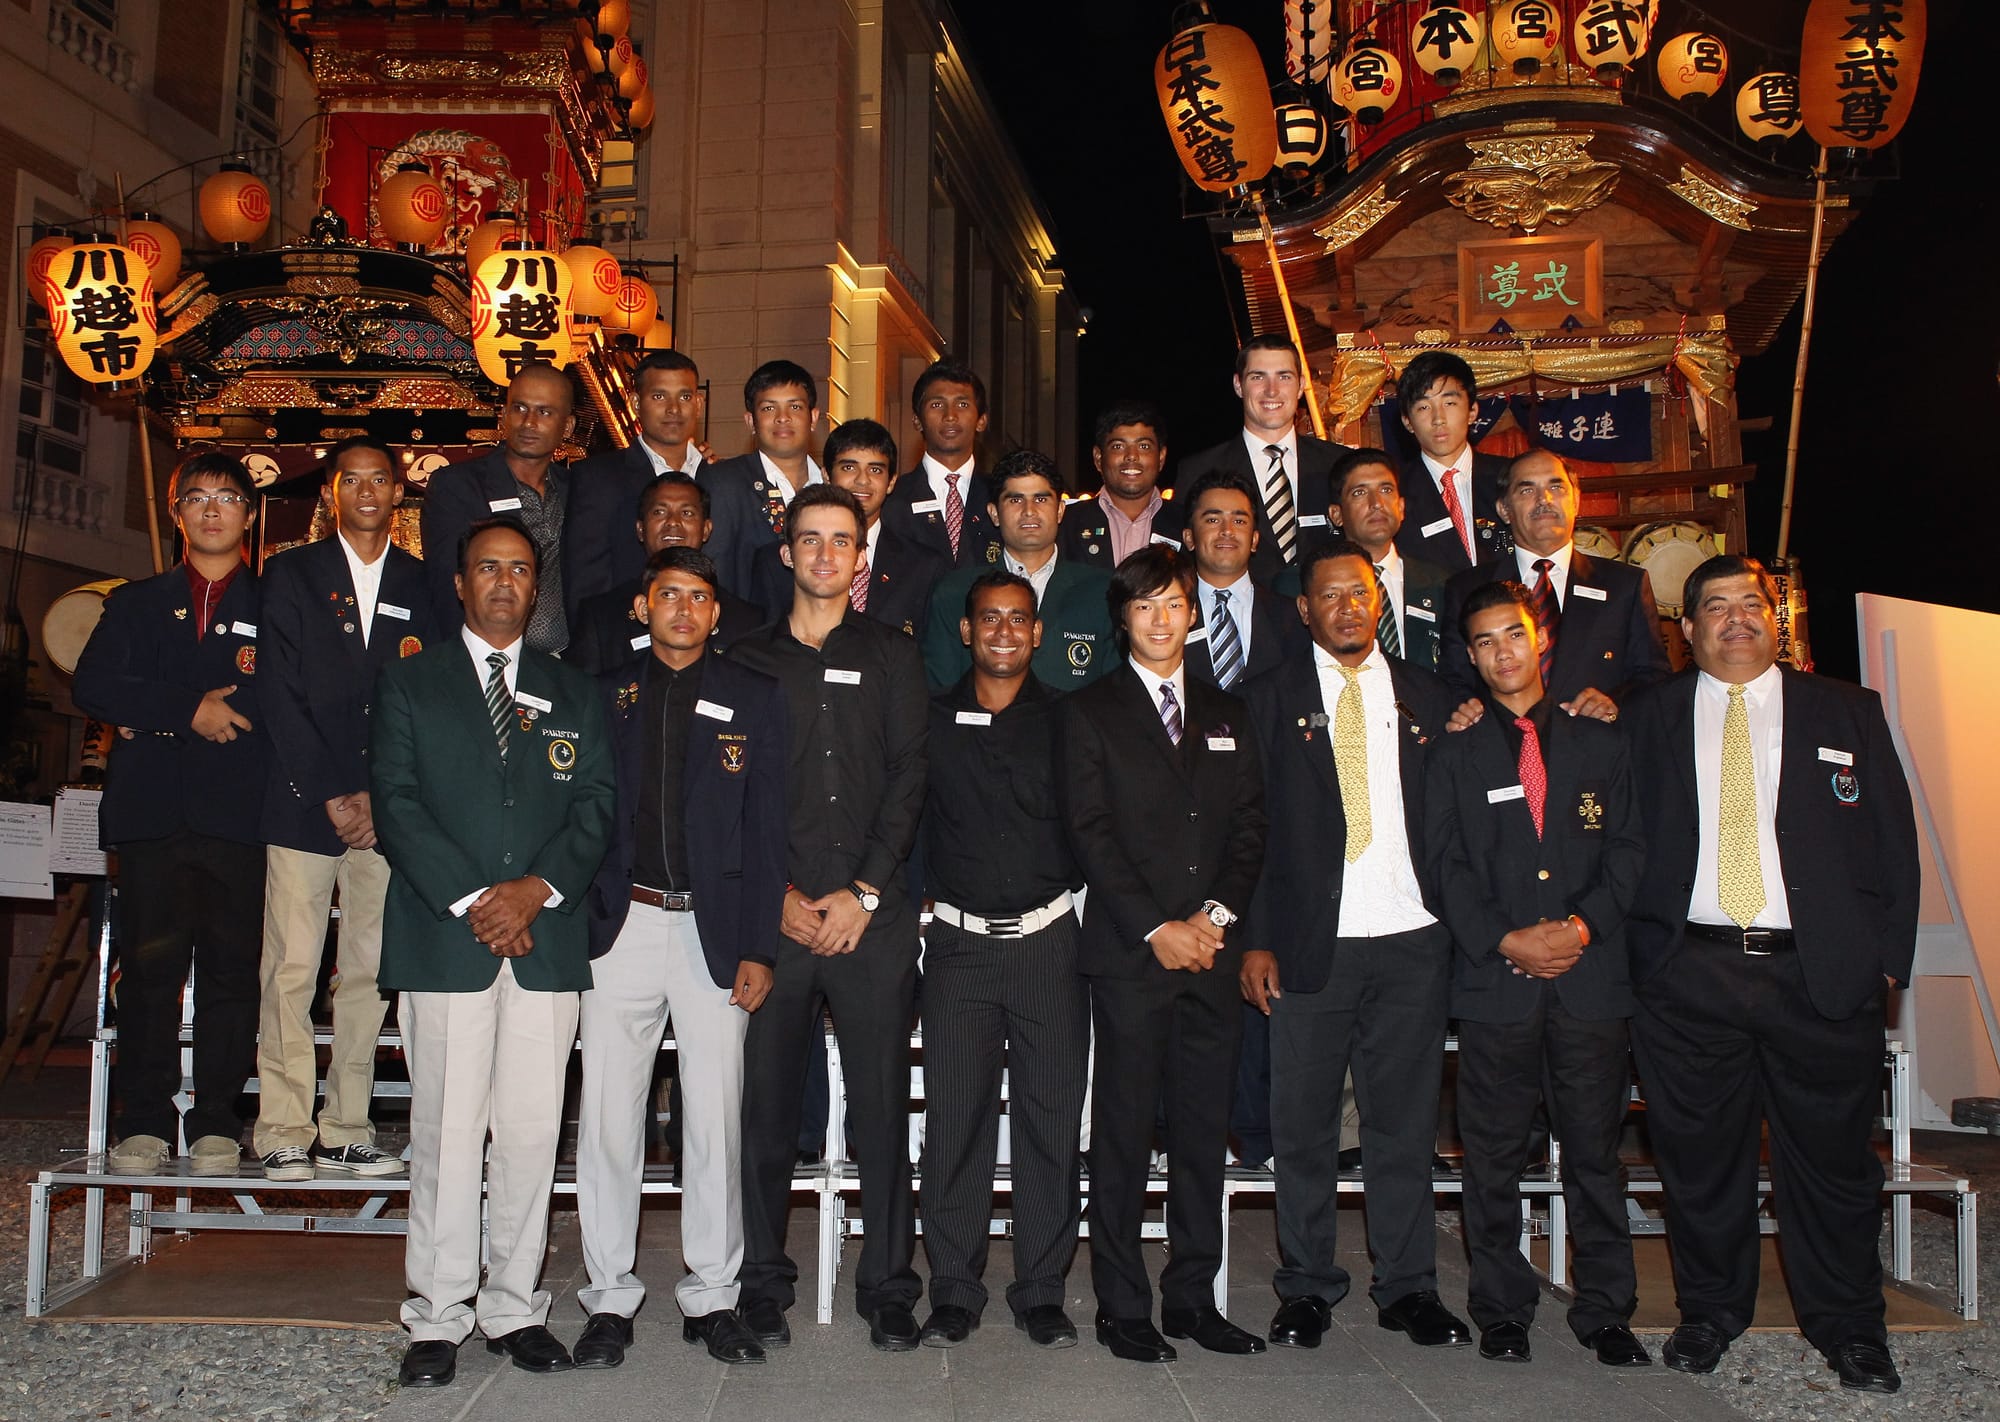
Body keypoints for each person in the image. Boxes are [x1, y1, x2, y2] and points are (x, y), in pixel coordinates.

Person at [1622, 555, 1918, 1394]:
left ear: (1776, 619)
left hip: (1818, 978)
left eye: (1751, 603)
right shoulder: (1650, 715)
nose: (1736, 618)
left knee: (1831, 1166)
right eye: (1714, 607)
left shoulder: (1847, 709)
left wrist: (1886, 961)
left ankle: (1851, 1327)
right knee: (1700, 1162)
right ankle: (1711, 1314)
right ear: (1688, 630)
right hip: (1688, 978)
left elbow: (1893, 838)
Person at [373, 518, 615, 1387]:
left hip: (545, 939)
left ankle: (514, 1306)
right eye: (489, 568)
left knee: (527, 1132)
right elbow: (396, 804)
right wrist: (481, 901)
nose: (505, 583)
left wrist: (533, 894)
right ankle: (437, 1314)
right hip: (448, 937)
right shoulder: (411, 684)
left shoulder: (573, 690)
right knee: (444, 1132)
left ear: (535, 585)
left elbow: (594, 804)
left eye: (520, 569)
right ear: (460, 582)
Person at [1239, 541, 1468, 1352]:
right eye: (1329, 597)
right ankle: (1306, 1286)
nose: (1346, 608)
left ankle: (1410, 1288)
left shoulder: (1433, 699)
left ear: (1381, 604)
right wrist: (1255, 940)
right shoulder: (1264, 699)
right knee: (1301, 1128)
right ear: (1303, 610)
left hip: (1411, 938)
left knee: (1401, 1127)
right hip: (1309, 943)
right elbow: (1251, 832)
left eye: (1360, 595)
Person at [573, 546, 788, 1368]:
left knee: (714, 1121)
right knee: (608, 1123)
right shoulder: (604, 697)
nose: (685, 610)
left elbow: (768, 831)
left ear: (716, 612)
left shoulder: (752, 696)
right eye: (669, 595)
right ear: (642, 606)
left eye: (699, 597)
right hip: (620, 929)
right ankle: (609, 1299)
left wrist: (760, 946)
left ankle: (713, 1296)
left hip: (716, 932)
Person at [1424, 581, 1649, 1368]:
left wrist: (1581, 926)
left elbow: (1629, 852)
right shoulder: (1452, 751)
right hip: (1497, 986)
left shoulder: (1601, 741)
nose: (1501, 652)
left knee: (1594, 1155)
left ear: (1539, 639)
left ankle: (1605, 1311)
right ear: (1470, 655)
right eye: (1483, 641)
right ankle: (1502, 1309)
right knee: (1491, 1157)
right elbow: (1443, 866)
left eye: (1512, 635)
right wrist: (1506, 939)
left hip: (1591, 981)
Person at [727, 484, 929, 1351]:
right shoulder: (743, 658)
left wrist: (866, 892)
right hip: (777, 920)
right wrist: (772, 896)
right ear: (786, 553)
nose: (823, 555)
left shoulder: (893, 653)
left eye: (840, 541)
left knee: (883, 1110)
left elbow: (911, 776)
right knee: (769, 1111)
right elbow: (727, 793)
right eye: (808, 540)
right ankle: (764, 1281)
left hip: (869, 921)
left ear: (861, 556)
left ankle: (887, 1283)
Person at [1060, 545, 1268, 1363]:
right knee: (1119, 1134)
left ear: (1193, 613)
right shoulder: (1089, 713)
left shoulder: (1228, 713)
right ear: (1123, 618)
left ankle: (1192, 1298)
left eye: (1174, 604)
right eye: (1144, 606)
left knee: (1198, 1134)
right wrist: (1159, 927)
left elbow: (1251, 829)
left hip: (1210, 955)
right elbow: (1091, 835)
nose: (1159, 619)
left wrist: (1210, 920)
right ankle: (1122, 1304)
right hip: (1130, 955)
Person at [76, 452, 268, 1178]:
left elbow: (293, 696)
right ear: (175, 511)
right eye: (197, 498)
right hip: (154, 815)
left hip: (241, 818)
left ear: (249, 514)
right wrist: (186, 709)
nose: (212, 510)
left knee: (231, 973)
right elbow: (96, 684)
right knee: (151, 974)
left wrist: (152, 709)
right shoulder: (135, 603)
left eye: (227, 498)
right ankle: (146, 1119)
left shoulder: (276, 606)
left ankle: (218, 1116)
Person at [915, 572, 1089, 1352]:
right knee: (955, 1120)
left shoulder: (1071, 722)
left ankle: (1042, 1289)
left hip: (1051, 944)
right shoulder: (929, 719)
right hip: (956, 948)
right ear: (966, 630)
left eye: (1020, 619)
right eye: (991, 619)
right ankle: (953, 1287)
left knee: (1052, 1123)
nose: (1006, 631)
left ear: (1040, 633)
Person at [254, 436, 435, 1182]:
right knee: (292, 968)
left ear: (398, 492)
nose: (366, 490)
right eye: (350, 479)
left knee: (367, 972)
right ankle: (283, 1127)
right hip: (304, 803)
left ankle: (348, 1126)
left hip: (386, 811)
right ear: (331, 492)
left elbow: (424, 705)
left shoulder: (425, 586)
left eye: (379, 479)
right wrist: (331, 790)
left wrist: (377, 798)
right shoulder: (291, 574)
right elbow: (279, 691)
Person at [1439, 450, 1671, 716]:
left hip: (1598, 745)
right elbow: (1454, 681)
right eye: (1527, 490)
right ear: (1504, 509)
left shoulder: (1625, 586)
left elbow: (1654, 677)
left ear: (1576, 501)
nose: (1544, 500)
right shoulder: (1466, 589)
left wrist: (1613, 703)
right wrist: (1474, 714)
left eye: (1556, 487)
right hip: (1503, 749)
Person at [921, 450, 1114, 692]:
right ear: (994, 513)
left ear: (1060, 510)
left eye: (1041, 499)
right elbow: (940, 691)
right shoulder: (955, 592)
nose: (1029, 510)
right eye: (1015, 500)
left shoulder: (1101, 591)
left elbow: (1113, 695)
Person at [419, 362, 577, 652]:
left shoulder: (579, 490)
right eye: (519, 408)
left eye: (544, 412)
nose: (529, 422)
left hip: (563, 670)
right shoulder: (458, 487)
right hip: (483, 663)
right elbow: (445, 586)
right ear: (503, 415)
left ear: (567, 426)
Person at [1176, 333, 1350, 585]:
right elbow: (1184, 564)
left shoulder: (1340, 464)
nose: (1272, 390)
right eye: (1258, 377)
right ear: (1238, 385)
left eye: (1284, 376)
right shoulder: (1198, 470)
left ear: (1301, 385)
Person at [753, 418, 948, 637]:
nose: (862, 480)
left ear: (891, 482)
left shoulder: (923, 566)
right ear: (826, 474)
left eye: (875, 470)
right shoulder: (775, 562)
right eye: (849, 467)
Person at [565, 349, 718, 614]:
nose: (673, 409)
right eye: (659, 396)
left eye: (684, 396)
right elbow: (584, 582)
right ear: (636, 403)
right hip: (624, 639)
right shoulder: (597, 478)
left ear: (698, 404)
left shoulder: (720, 477)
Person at [566, 472, 763, 674]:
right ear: (640, 529)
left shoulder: (745, 620)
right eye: (659, 512)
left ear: (706, 529)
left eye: (687, 513)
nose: (673, 522)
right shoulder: (601, 616)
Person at [699, 359, 823, 597]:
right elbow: (715, 573)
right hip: (749, 630)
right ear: (750, 422)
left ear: (813, 418)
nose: (782, 417)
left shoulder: (831, 486)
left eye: (795, 407)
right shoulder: (724, 482)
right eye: (768, 408)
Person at [1178, 468, 1306, 691]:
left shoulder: (1292, 616)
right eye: (1212, 520)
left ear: (1255, 540)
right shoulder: (1168, 615)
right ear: (1189, 538)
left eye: (1239, 521)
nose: (1227, 531)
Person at [1327, 447, 1449, 672]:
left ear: (1401, 508)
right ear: (1336, 514)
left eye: (1386, 489)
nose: (1376, 503)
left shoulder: (1440, 583)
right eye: (1359, 493)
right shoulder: (1305, 584)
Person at [1390, 350, 1509, 573]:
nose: (1438, 419)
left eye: (1450, 403)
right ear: (1407, 421)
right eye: (1424, 407)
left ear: (1472, 411)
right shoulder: (1395, 491)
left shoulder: (1510, 477)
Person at [881, 359, 1000, 569]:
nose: (950, 416)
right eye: (937, 405)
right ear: (917, 420)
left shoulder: (1002, 496)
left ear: (981, 420)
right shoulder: (890, 499)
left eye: (962, 404)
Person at [1059, 402, 1185, 569]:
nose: (1131, 456)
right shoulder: (1065, 524)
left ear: (1161, 458)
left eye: (1144, 446)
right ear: (1098, 458)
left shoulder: (1186, 523)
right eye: (1118, 446)